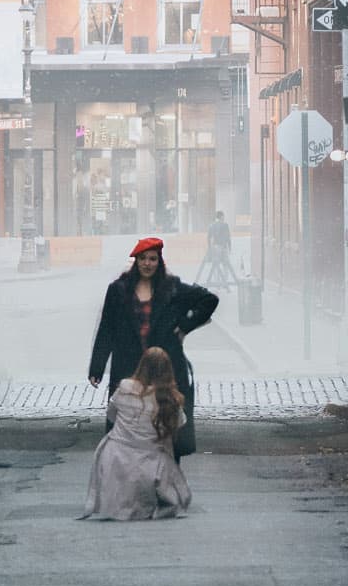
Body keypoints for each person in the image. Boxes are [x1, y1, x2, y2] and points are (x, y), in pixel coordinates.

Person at [87, 237, 219, 457]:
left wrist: (184, 326)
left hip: (164, 368)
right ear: (136, 261)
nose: (147, 263)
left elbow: (209, 300)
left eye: (152, 259)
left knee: (165, 428)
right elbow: (106, 329)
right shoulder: (118, 291)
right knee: (128, 430)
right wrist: (97, 368)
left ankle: (165, 479)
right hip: (129, 367)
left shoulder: (172, 289)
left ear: (159, 261)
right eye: (143, 259)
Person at [80, 347, 192, 521]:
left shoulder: (124, 388)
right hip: (151, 463)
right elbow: (180, 423)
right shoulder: (169, 399)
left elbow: (112, 415)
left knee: (110, 444)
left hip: (115, 457)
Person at [196, 209, 237, 290]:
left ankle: (217, 283)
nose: (224, 218)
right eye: (223, 216)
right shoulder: (225, 225)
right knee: (226, 265)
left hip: (215, 247)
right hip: (223, 247)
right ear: (221, 216)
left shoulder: (211, 225)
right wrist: (230, 247)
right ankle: (224, 283)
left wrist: (210, 247)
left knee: (216, 266)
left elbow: (208, 237)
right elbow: (228, 237)